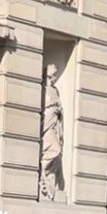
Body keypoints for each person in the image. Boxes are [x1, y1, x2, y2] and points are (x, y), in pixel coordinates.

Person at [40, 63, 64, 200]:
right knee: (54, 150)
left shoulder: (55, 90)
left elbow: (58, 106)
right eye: (54, 74)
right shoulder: (44, 89)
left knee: (57, 151)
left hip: (55, 123)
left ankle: (47, 175)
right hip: (48, 122)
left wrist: (59, 110)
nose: (55, 77)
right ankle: (43, 170)